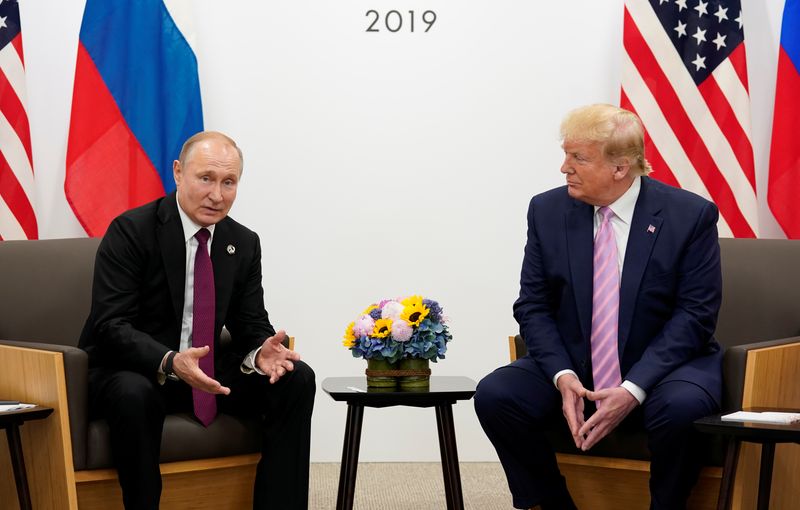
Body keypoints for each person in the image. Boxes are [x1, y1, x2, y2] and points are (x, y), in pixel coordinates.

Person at [474, 104, 722, 509]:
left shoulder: (689, 216)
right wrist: (561, 374)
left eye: (578, 158)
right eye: (566, 153)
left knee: (683, 408)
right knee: (496, 394)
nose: (563, 168)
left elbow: (695, 316)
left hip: (664, 368)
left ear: (621, 168)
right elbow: (532, 305)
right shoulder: (547, 210)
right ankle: (553, 504)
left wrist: (632, 387)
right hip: (577, 363)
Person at [79, 131, 315, 509]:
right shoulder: (131, 230)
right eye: (205, 178)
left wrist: (261, 352)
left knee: (295, 378)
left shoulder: (243, 242)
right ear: (178, 172)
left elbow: (250, 321)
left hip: (205, 372)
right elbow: (110, 326)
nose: (217, 195)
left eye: (228, 182)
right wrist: (171, 361)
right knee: (134, 393)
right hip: (137, 368)